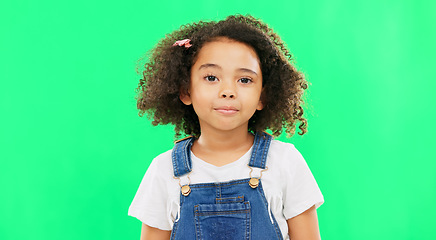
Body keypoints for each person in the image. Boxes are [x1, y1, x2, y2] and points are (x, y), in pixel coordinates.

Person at [128, 15, 324, 240]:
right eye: (211, 77)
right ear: (185, 91)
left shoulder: (284, 162)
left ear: (263, 96)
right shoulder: (164, 171)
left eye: (245, 80)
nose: (228, 90)